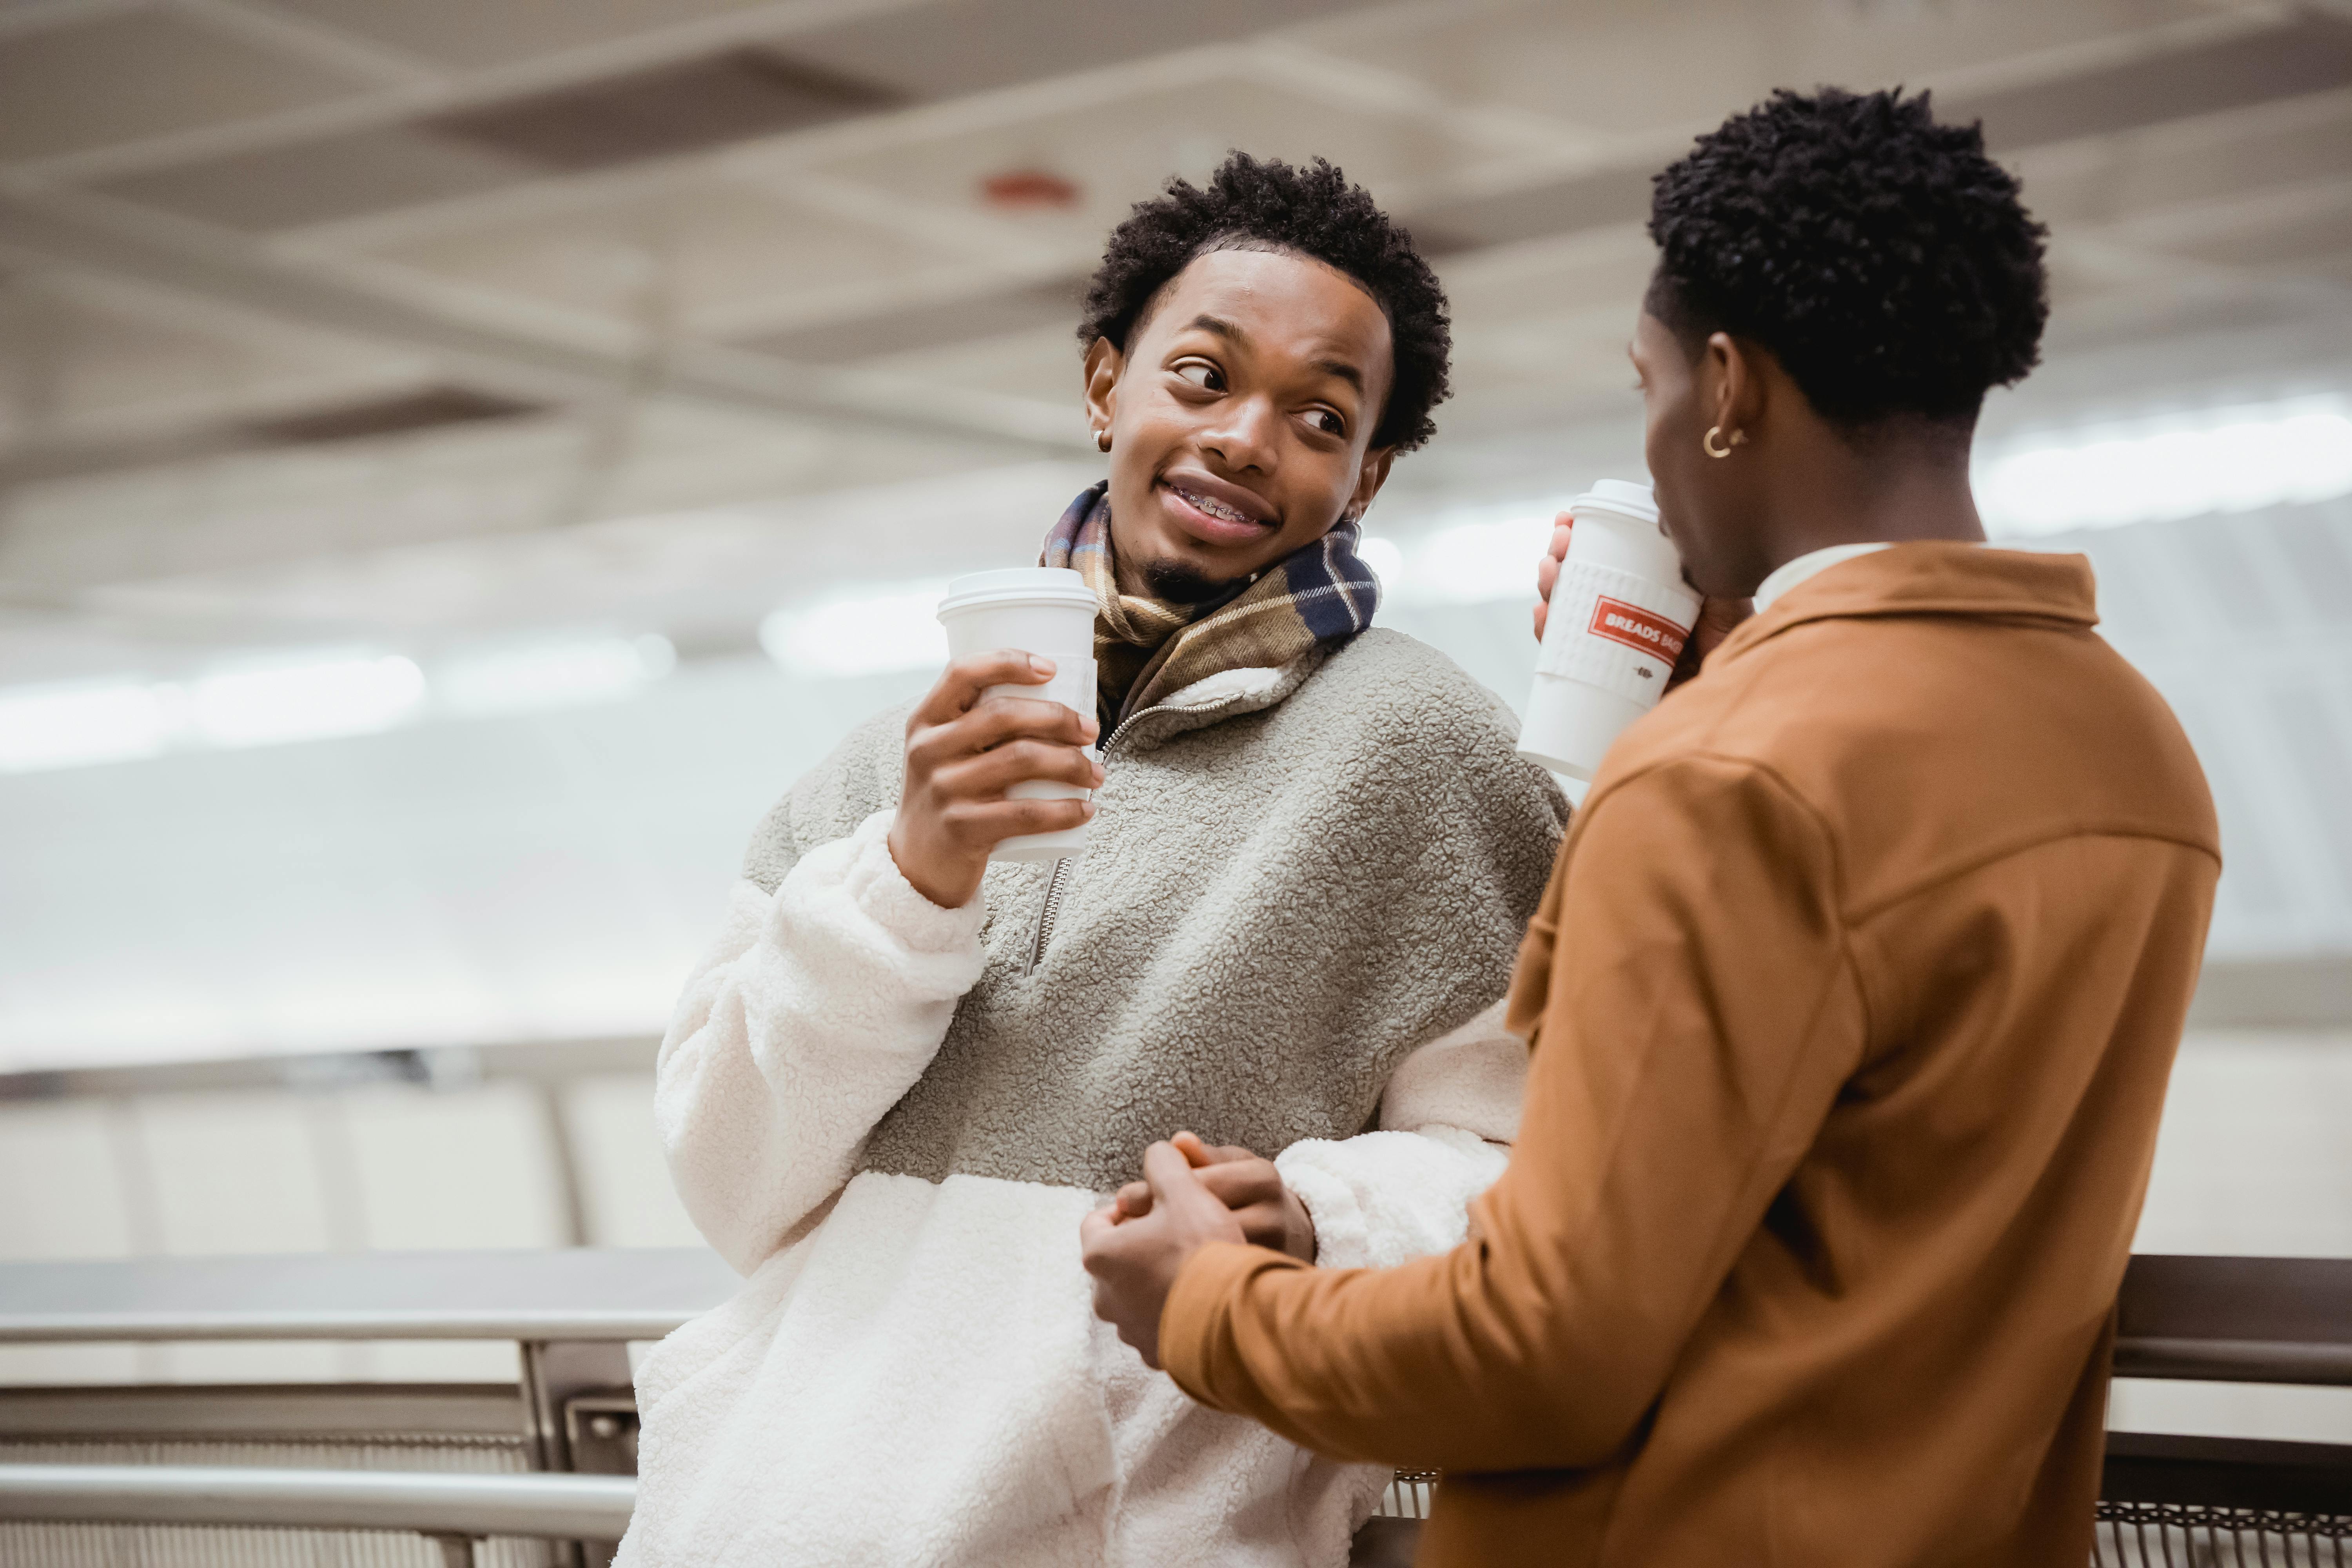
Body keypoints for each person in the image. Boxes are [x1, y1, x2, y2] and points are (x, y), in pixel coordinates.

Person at [1082, 89, 2221, 1568]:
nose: (1662, 436)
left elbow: (1545, 1348)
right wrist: (1731, 666)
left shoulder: (1721, 779)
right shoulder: (2139, 756)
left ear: (1730, 389)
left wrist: (1208, 1307)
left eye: (1654, 387)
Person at [614, 152, 1568, 1566]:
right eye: (1201, 376)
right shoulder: (892, 765)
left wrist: (1325, 1213)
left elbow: (1530, 1170)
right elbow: (734, 1184)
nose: (1247, 436)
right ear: (1104, 384)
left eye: (1318, 416)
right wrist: (911, 879)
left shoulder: (1428, 750)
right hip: (768, 1520)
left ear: (1365, 476)